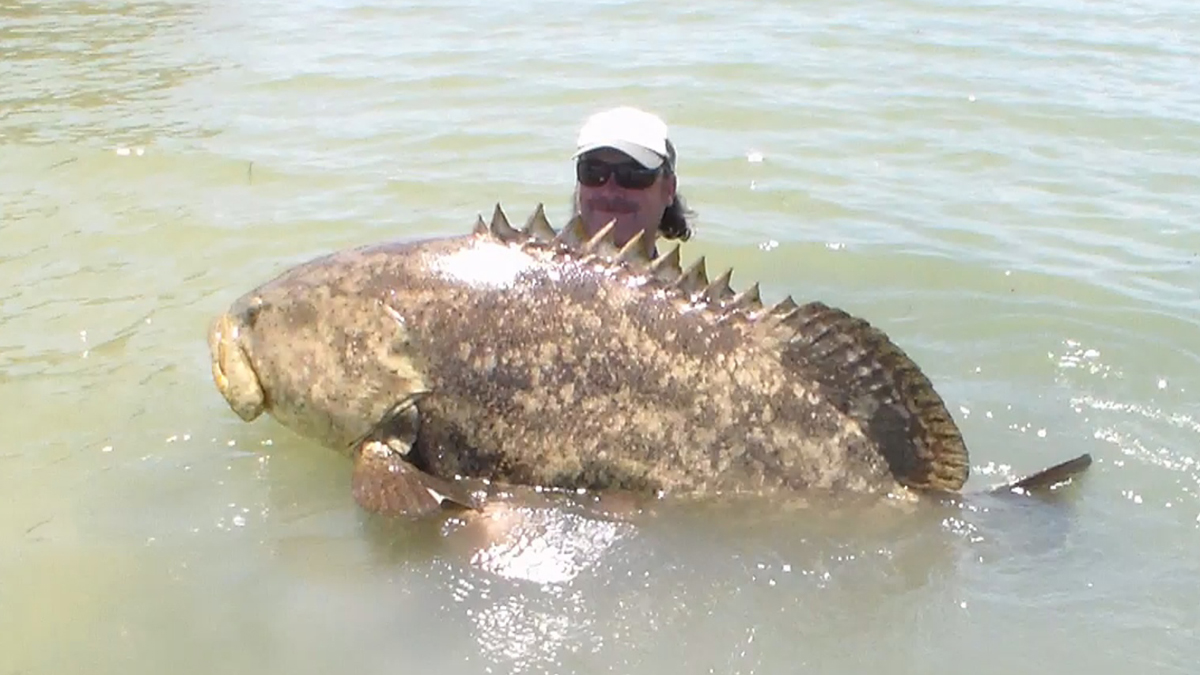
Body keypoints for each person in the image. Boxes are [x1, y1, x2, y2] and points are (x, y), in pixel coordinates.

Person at [570, 106, 694, 256]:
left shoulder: (673, 280)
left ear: (668, 189)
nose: (609, 191)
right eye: (593, 172)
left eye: (633, 175)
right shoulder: (536, 261)